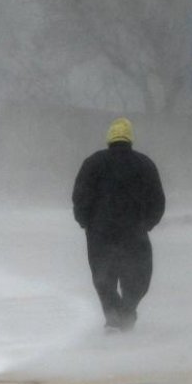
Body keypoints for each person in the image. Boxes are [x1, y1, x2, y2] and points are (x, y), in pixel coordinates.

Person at [72, 117, 165, 332]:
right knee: (138, 277)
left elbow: (80, 196)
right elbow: (157, 200)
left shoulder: (93, 163)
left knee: (104, 277)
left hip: (100, 232)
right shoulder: (144, 164)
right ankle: (126, 311)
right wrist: (147, 223)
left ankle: (114, 317)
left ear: (109, 138)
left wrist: (84, 221)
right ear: (130, 138)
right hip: (134, 231)